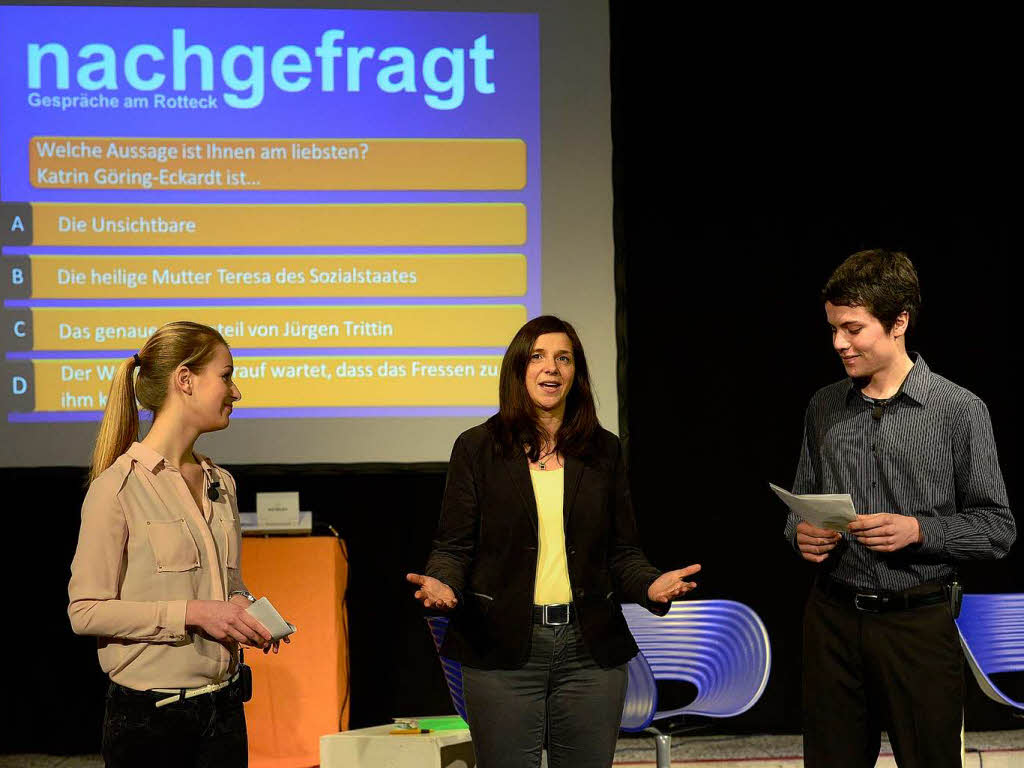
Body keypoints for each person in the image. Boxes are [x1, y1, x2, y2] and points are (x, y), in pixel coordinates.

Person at [407, 315, 701, 768]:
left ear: (576, 373)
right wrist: (442, 584)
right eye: (539, 357)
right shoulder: (478, 448)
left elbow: (623, 553)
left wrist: (649, 586)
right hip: (501, 650)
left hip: (589, 653)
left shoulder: (604, 451)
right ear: (519, 370)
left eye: (563, 358)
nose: (552, 368)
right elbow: (453, 547)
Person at [784, 250, 1016, 768]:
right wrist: (801, 532)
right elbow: (799, 507)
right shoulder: (824, 406)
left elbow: (998, 529)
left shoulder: (959, 410)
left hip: (917, 624)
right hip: (832, 621)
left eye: (853, 328)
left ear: (899, 322)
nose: (838, 343)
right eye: (833, 328)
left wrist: (919, 531)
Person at [68, 321, 287, 768]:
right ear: (184, 380)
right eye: (226, 375)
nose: (237, 391)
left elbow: (224, 582)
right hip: (151, 722)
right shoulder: (118, 488)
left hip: (224, 713)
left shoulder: (220, 482)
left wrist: (243, 609)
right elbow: (85, 610)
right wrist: (194, 613)